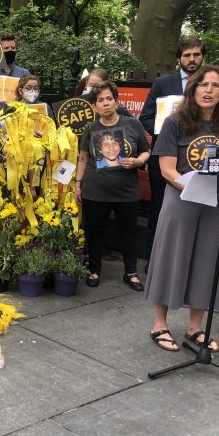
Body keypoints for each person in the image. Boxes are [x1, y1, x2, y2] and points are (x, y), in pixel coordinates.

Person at [144, 64, 219, 353]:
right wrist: (195, 189)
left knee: (207, 263)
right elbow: (167, 170)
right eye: (202, 84)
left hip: (215, 205)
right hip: (181, 201)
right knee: (170, 259)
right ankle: (159, 324)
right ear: (193, 88)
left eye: (215, 85)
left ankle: (195, 327)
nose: (208, 90)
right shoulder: (174, 122)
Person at [75, 81, 150, 290]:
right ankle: (94, 270)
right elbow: (82, 158)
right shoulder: (90, 128)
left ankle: (131, 272)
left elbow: (146, 150)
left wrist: (138, 161)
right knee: (95, 230)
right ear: (94, 105)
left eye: (109, 99)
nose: (106, 103)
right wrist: (78, 184)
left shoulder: (132, 124)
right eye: (100, 100)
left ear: (116, 102)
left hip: (126, 190)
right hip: (95, 189)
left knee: (129, 231)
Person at [139, 38, 206, 264]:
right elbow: (146, 117)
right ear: (179, 58)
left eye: (196, 55)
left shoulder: (209, 85)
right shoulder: (163, 83)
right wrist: (166, 132)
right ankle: (153, 260)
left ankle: (188, 261)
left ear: (202, 57)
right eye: (187, 55)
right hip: (165, 158)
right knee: (160, 209)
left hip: (197, 158)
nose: (192, 59)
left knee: (196, 209)